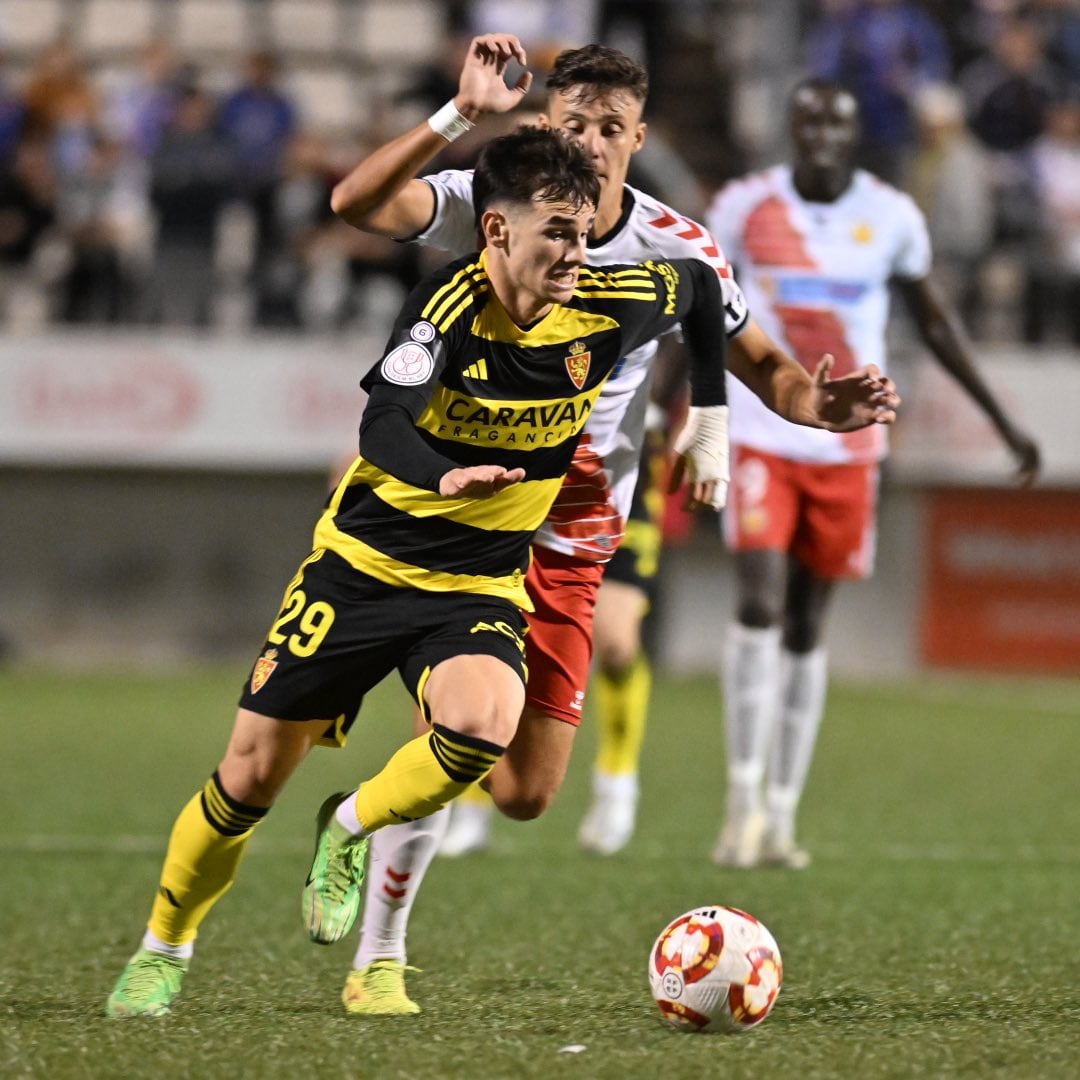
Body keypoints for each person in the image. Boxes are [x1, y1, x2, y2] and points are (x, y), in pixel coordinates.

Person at [106, 122, 759, 1018]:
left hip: (477, 584)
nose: (576, 252)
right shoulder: (447, 306)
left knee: (483, 724)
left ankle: (348, 827)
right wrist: (443, 472)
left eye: (581, 230)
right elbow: (383, 426)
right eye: (555, 234)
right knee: (248, 779)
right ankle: (161, 952)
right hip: (363, 570)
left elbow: (698, 288)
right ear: (496, 233)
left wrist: (713, 421)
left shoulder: (613, 298)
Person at [327, 35, 899, 1015]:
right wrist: (455, 120)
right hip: (472, 515)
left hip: (578, 534)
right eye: (575, 123)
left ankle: (373, 820)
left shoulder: (679, 246)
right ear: (549, 125)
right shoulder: (492, 200)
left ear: (640, 139)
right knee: (458, 732)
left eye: (611, 128)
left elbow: (764, 364)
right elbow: (361, 205)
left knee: (525, 791)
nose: (591, 143)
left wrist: (819, 406)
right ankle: (379, 955)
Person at [704, 77, 1041, 872]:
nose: (821, 132)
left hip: (849, 450)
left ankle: (783, 813)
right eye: (809, 118)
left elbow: (933, 319)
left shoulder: (891, 217)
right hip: (765, 432)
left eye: (837, 121)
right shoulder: (744, 207)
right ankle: (740, 802)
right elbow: (700, 310)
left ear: (855, 132)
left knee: (805, 626)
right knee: (756, 601)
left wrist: (1000, 416)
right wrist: (691, 406)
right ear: (790, 125)